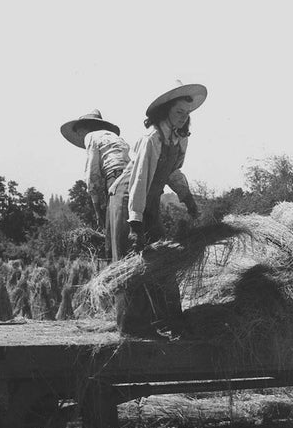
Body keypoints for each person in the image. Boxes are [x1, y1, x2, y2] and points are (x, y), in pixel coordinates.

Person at [109, 81, 207, 338]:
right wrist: (135, 224)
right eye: (178, 113)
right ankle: (132, 327)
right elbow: (139, 180)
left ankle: (169, 320)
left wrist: (188, 199)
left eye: (187, 114)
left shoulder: (178, 139)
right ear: (165, 111)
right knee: (132, 263)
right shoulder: (151, 138)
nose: (183, 118)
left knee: (163, 260)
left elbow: (173, 172)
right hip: (128, 200)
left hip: (150, 201)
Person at [60, 110, 130, 257]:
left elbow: (93, 175)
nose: (79, 135)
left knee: (114, 240)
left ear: (86, 128)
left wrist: (98, 211)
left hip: (116, 178)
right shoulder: (116, 138)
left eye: (79, 131)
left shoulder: (90, 137)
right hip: (133, 176)